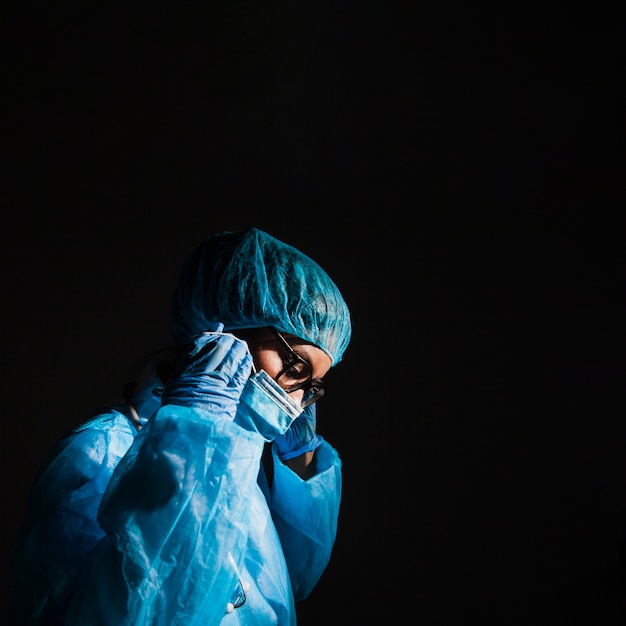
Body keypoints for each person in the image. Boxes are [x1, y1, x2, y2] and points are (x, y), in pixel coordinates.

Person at [10, 227, 352, 625]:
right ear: (221, 326)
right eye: (295, 367)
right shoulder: (97, 453)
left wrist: (299, 460)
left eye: (310, 386)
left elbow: (291, 585)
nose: (294, 398)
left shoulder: (237, 460)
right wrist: (192, 439)